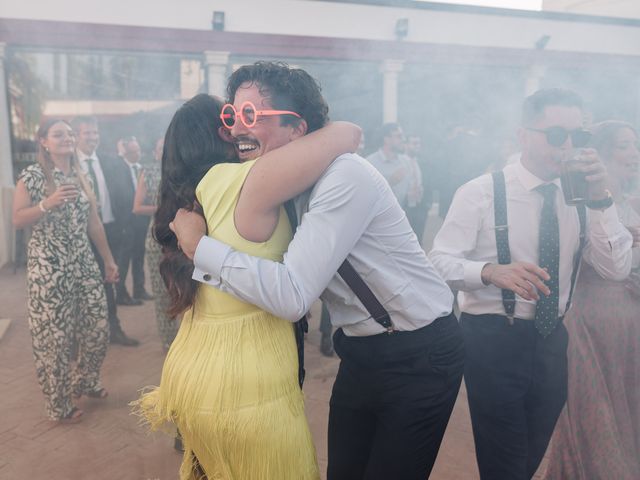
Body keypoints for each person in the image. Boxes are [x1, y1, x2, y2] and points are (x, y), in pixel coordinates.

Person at [171, 61, 463, 480]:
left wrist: (200, 247)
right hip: (360, 352)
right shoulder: (278, 183)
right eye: (232, 116)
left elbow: (292, 296)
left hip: (419, 352)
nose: (235, 130)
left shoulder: (346, 176)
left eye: (251, 116)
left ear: (298, 129)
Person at [134, 92, 361, 480]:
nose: (240, 124)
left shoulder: (190, 194)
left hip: (194, 370)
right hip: (244, 384)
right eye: (231, 117)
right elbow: (348, 133)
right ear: (219, 134)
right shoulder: (241, 180)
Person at [429, 89, 634, 479]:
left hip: (554, 339)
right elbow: (437, 263)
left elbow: (615, 268)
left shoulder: (580, 196)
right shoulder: (481, 192)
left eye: (580, 137)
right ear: (524, 135)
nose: (570, 146)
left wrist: (601, 199)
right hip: (491, 338)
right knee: (504, 462)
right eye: (557, 135)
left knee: (528, 457)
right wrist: (489, 271)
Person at [544, 120, 640, 480]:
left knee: (628, 409)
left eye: (635, 145)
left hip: (631, 326)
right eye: (625, 145)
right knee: (594, 412)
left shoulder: (635, 202)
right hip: (590, 324)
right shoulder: (578, 201)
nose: (634, 153)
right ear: (599, 153)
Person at [12, 119, 118, 422]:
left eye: (70, 133)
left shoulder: (82, 175)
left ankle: (85, 380)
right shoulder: (32, 176)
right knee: (55, 339)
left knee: (98, 327)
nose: (67, 138)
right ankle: (58, 404)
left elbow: (94, 223)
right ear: (43, 141)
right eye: (58, 134)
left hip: (83, 263)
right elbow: (17, 219)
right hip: (49, 269)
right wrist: (49, 203)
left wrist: (108, 260)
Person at [72, 116, 140, 346]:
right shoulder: (69, 164)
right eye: (86, 133)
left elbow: (125, 194)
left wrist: (124, 227)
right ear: (76, 136)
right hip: (79, 236)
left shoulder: (110, 162)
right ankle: (78, 339)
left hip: (110, 231)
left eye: (95, 133)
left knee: (109, 281)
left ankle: (114, 330)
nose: (92, 138)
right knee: (79, 287)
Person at [133, 136, 178, 350]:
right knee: (162, 293)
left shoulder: (182, 170)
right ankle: (168, 341)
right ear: (155, 153)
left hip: (182, 238)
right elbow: (137, 207)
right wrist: (163, 208)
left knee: (185, 289)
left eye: (167, 147)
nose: (164, 151)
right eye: (160, 148)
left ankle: (188, 338)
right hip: (157, 240)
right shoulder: (148, 172)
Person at [116, 136, 151, 304]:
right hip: (125, 222)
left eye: (138, 150)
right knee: (123, 259)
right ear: (126, 152)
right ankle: (121, 293)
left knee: (139, 256)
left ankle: (139, 289)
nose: (137, 154)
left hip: (142, 221)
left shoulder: (143, 168)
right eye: (133, 151)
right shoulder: (119, 168)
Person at [366, 123, 412, 208]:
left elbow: (409, 195)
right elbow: (366, 197)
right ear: (386, 139)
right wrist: (390, 183)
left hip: (403, 216)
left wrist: (413, 194)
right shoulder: (370, 163)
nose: (404, 139)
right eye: (399, 136)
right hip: (379, 218)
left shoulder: (406, 161)